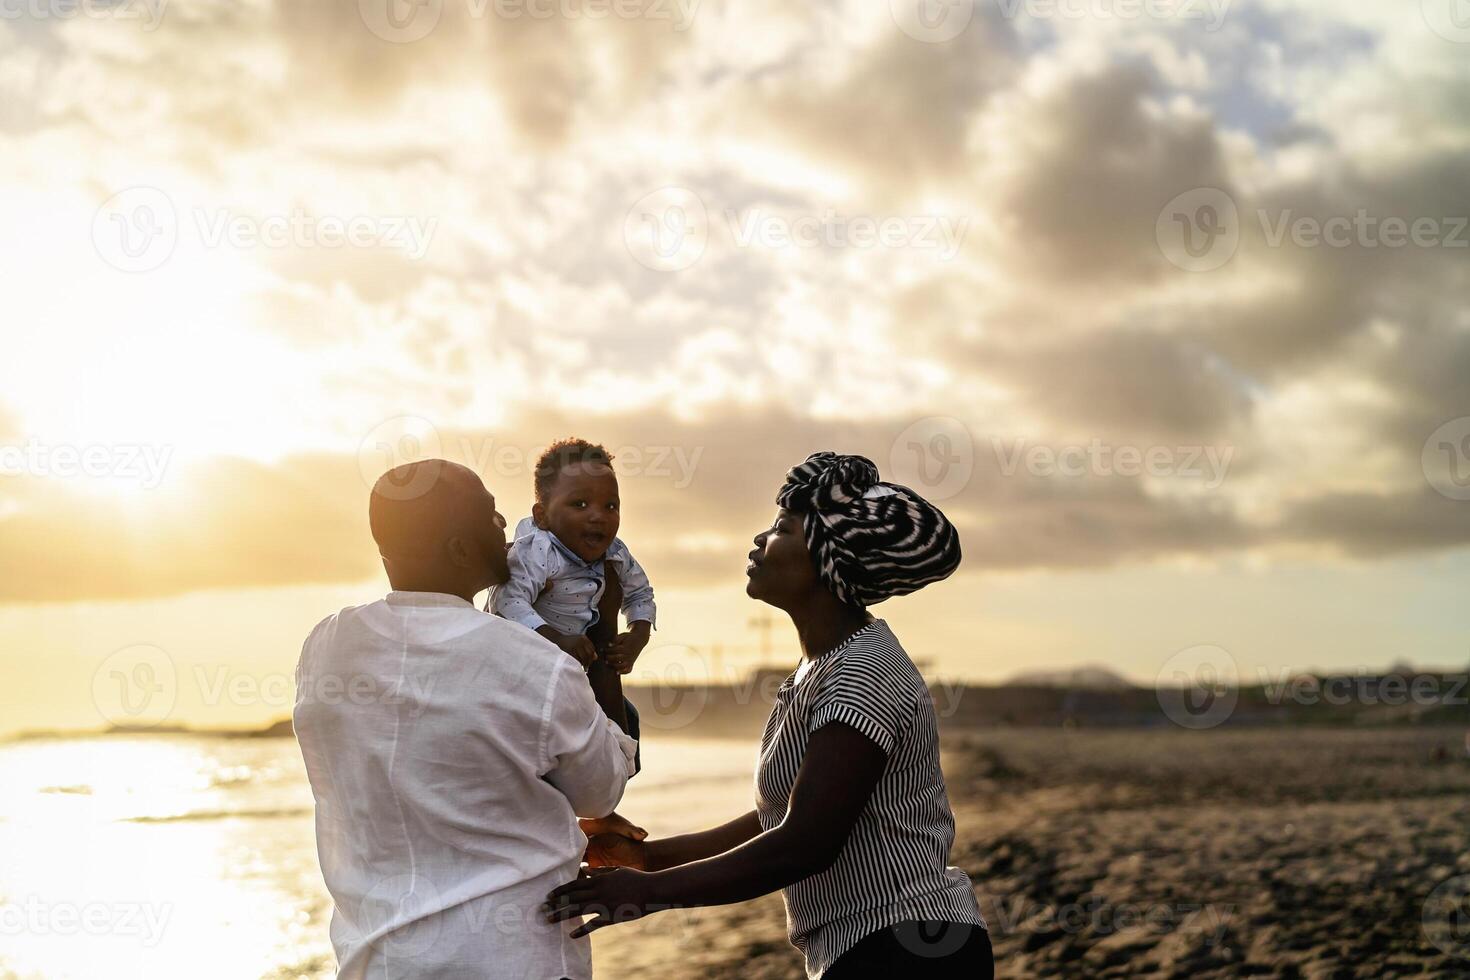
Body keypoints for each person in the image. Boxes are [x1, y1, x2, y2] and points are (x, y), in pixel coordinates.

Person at [544, 451, 994, 979]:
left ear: (830, 558)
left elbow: (803, 844)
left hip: (907, 947)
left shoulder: (863, 675)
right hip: (870, 946)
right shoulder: (821, 668)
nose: (760, 540)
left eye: (782, 528)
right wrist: (649, 858)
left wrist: (647, 894)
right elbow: (778, 817)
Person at [294, 459, 639, 980]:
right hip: (512, 961)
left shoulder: (326, 646)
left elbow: (417, 761)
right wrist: (606, 619)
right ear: (458, 549)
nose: (507, 525)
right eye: (490, 515)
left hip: (375, 963)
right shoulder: (534, 662)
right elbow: (601, 790)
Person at [491, 438, 656, 674]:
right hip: (519, 663)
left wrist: (638, 636)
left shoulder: (616, 553)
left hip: (573, 667)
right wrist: (557, 640)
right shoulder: (536, 551)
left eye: (610, 506)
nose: (598, 516)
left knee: (628, 713)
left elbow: (640, 593)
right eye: (580, 504)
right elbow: (508, 602)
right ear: (542, 516)